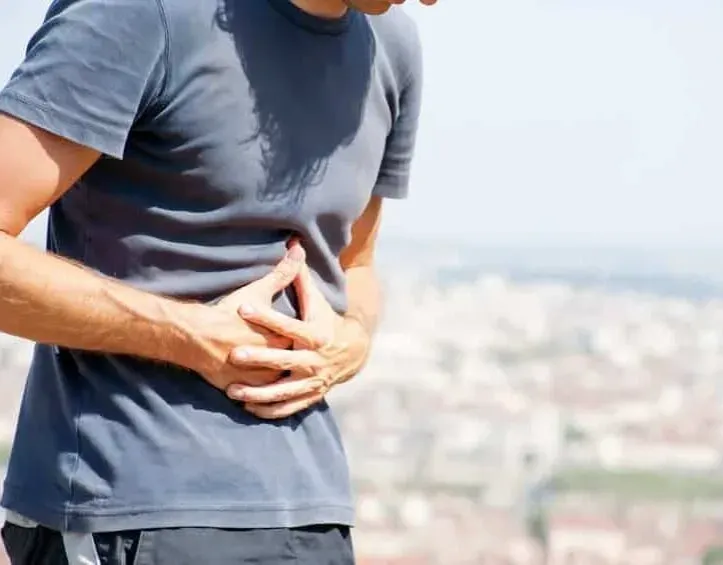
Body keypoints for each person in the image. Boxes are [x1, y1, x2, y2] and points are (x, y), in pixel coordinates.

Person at [0, 0, 435, 562]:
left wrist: (353, 340)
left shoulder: (391, 45)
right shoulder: (141, 11)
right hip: (129, 507)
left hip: (312, 514)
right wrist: (189, 334)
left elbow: (356, 266)